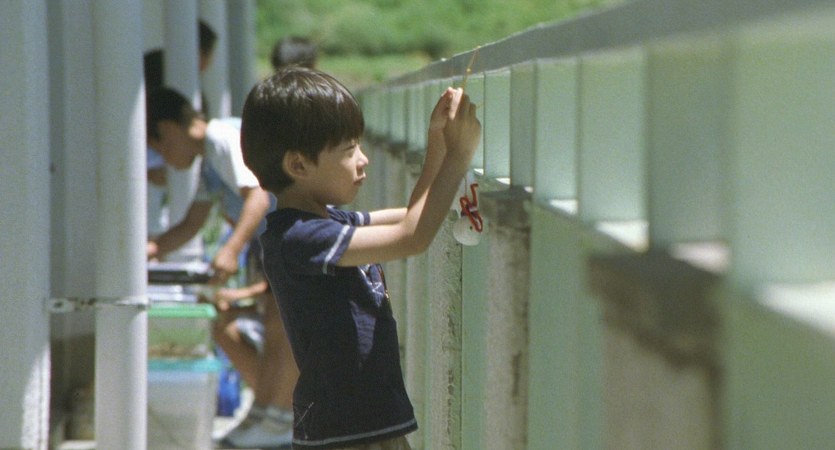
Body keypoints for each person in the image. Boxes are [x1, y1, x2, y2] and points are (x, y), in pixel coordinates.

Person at [239, 67, 481, 448]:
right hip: (346, 433)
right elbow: (412, 237)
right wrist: (459, 157)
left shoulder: (328, 222)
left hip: (367, 425)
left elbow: (409, 217)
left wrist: (438, 141)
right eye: (349, 150)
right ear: (298, 165)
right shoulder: (299, 238)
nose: (363, 159)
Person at [213, 36, 320, 449]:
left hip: (284, 226)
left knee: (281, 327)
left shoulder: (275, 107)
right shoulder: (312, 108)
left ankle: (276, 414)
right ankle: (271, 412)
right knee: (280, 326)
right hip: (295, 224)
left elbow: (259, 189)